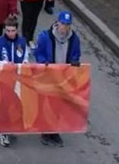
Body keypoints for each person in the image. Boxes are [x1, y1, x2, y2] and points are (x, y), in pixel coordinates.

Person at [32, 11, 82, 147]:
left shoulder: (74, 39)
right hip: (48, 76)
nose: (64, 27)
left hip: (63, 77)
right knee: (47, 104)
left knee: (59, 105)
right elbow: (38, 53)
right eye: (63, 24)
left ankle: (54, 131)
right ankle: (45, 131)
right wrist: (44, 63)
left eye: (67, 24)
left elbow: (76, 54)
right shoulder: (45, 36)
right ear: (57, 23)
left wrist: (74, 61)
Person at [0, 17, 28, 146]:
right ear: (5, 30)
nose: (10, 33)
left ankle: (13, 126)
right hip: (3, 79)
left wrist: (25, 63)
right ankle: (3, 131)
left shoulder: (22, 42)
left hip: (18, 78)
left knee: (17, 104)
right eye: (8, 30)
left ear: (17, 30)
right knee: (5, 105)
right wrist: (6, 64)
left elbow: (25, 57)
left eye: (13, 30)